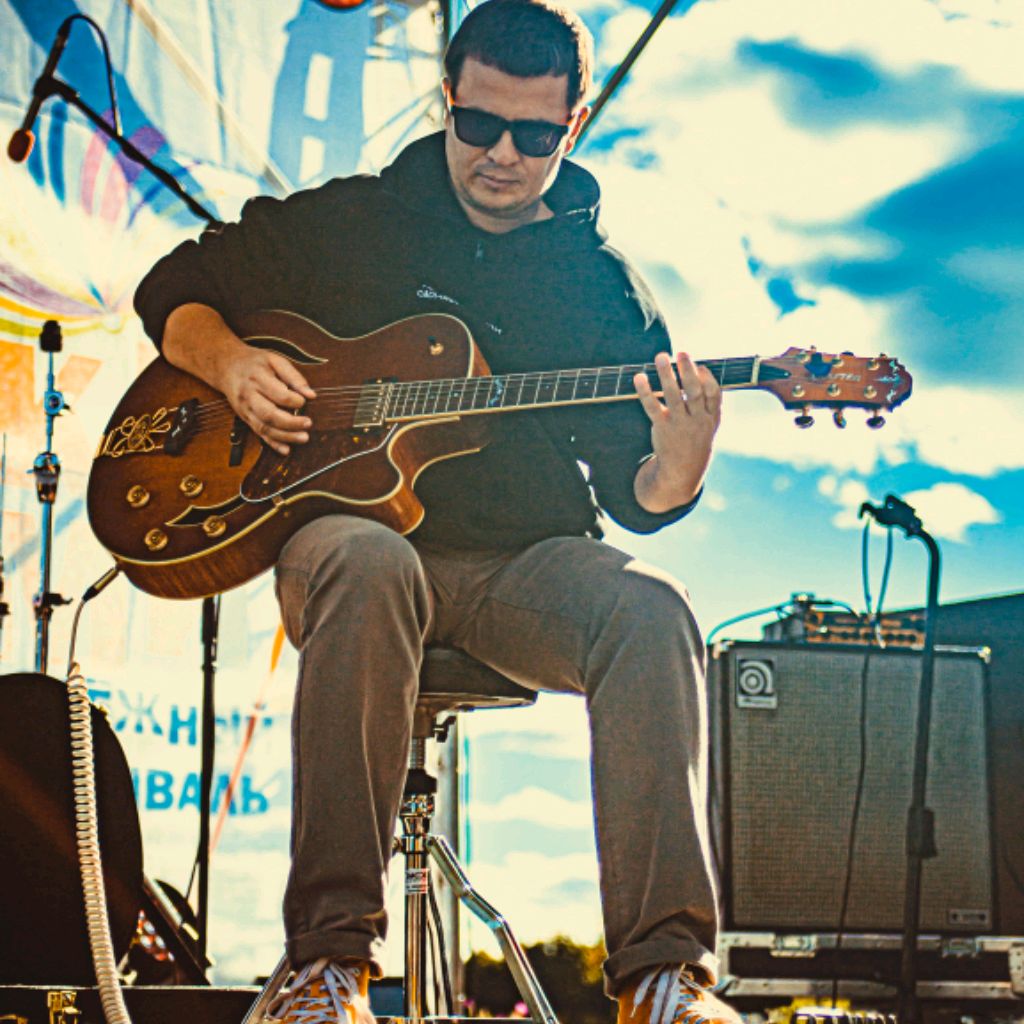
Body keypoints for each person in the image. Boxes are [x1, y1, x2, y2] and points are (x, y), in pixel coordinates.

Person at [134, 1, 739, 1022]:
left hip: (519, 570)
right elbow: (174, 287)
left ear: (574, 121)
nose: (503, 155)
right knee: (369, 561)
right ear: (447, 97)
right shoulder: (349, 220)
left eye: (534, 135)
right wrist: (230, 363)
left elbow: (635, 493)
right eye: (480, 124)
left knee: (652, 606)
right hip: (354, 547)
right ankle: (327, 965)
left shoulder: (599, 287)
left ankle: (662, 978)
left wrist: (678, 466)